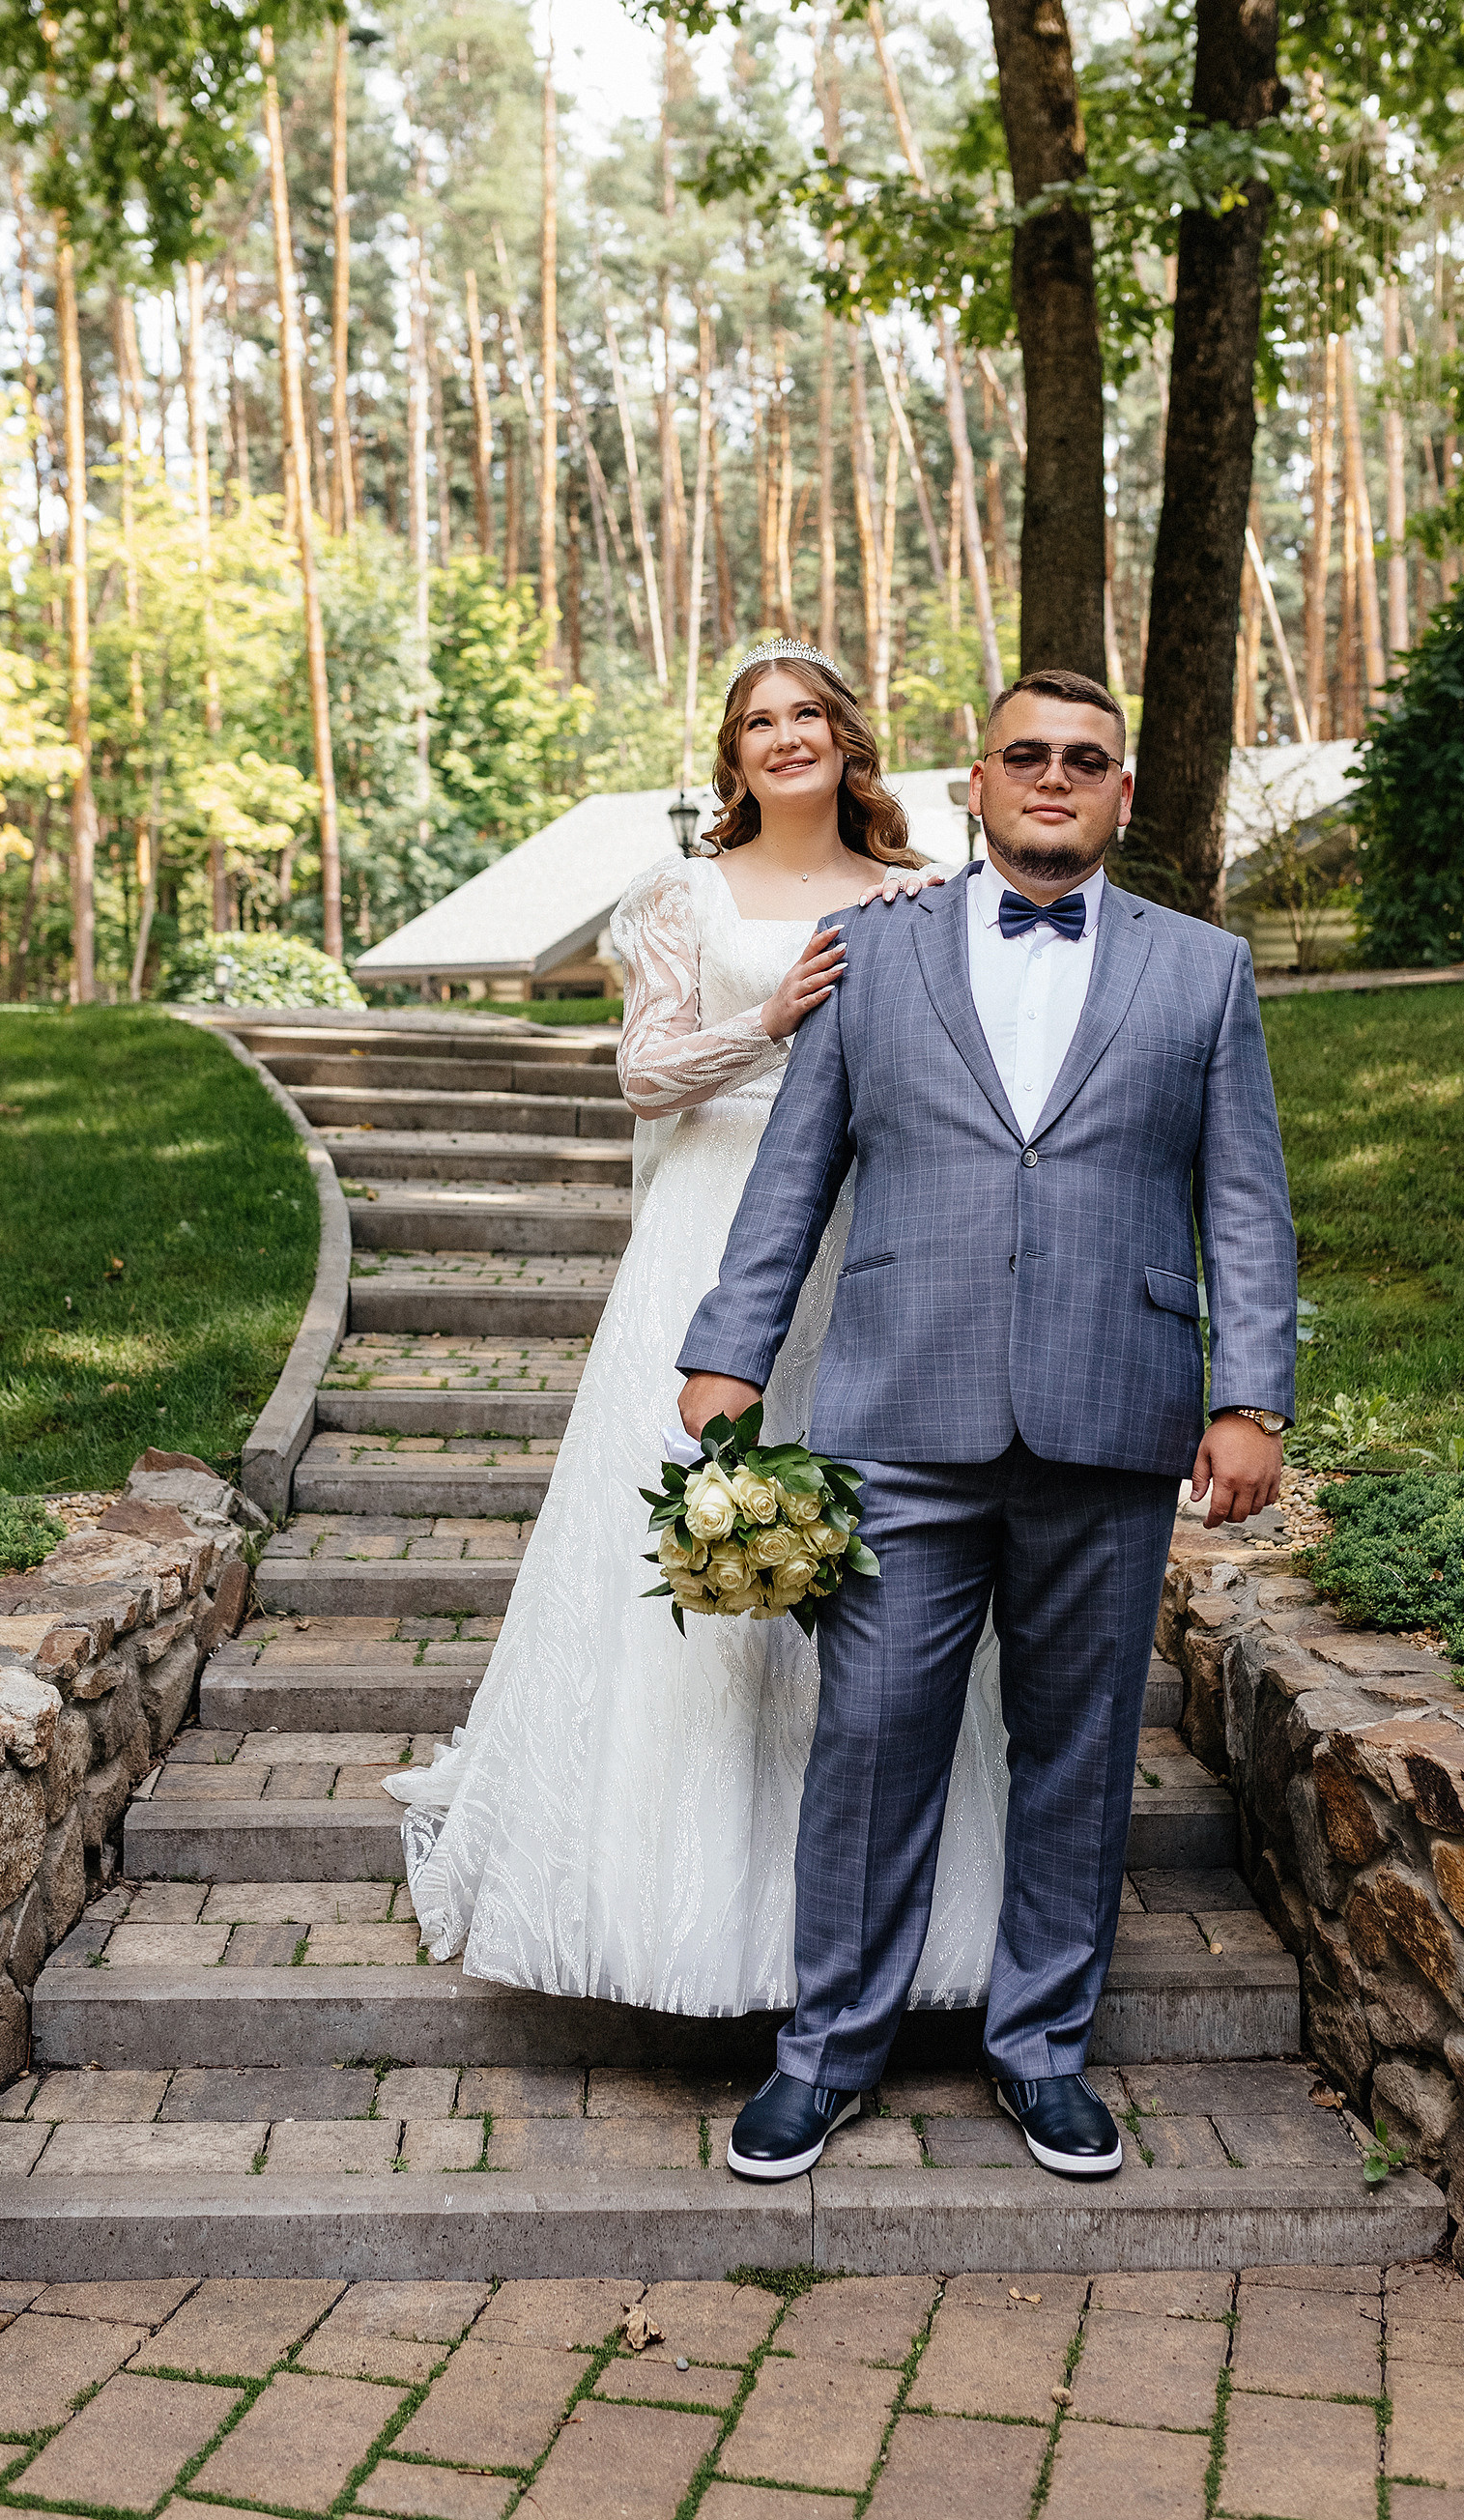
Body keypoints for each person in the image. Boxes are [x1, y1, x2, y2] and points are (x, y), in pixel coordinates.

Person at [677, 667, 1300, 2184]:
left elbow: (1245, 1200)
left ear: (1123, 795)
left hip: (1114, 1413)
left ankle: (1043, 2053)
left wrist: (1250, 1394)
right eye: (1027, 754)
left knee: (1077, 1755)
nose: (1054, 778)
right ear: (978, 779)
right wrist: (729, 1350)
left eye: (1087, 761)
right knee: (875, 1741)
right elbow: (794, 1172)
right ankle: (822, 2059)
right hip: (905, 1408)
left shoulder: (1205, 971)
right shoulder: (870, 955)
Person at [388, 641, 1011, 2016]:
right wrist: (772, 1018)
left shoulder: (923, 896)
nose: (784, 738)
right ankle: (673, 1906)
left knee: (867, 1549)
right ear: (732, 758)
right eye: (756, 723)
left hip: (871, 1239)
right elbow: (641, 1070)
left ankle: (882, 1903)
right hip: (715, 1225)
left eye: (807, 716)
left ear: (851, 741)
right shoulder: (686, 895)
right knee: (700, 1532)